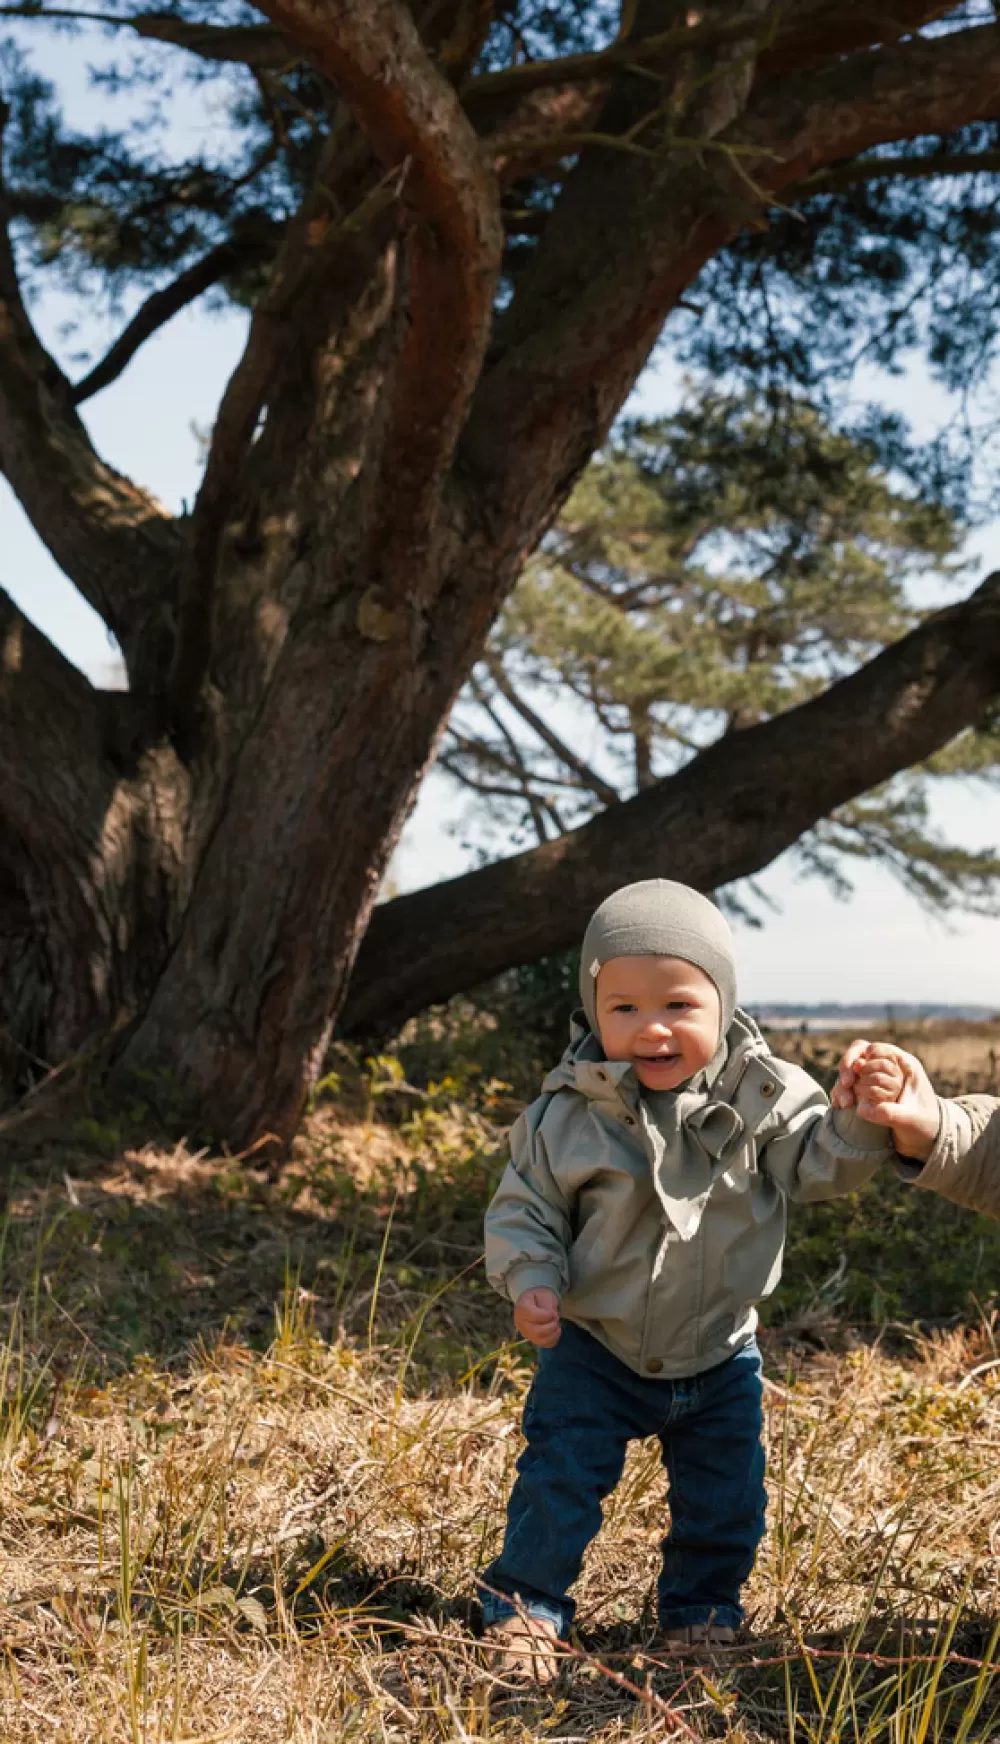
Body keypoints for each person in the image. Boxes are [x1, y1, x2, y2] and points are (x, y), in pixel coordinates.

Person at [479, 879, 900, 1680]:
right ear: (594, 1011)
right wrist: (533, 1276)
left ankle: (702, 1612)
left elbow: (818, 1165)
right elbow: (525, 1205)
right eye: (624, 1008)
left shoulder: (762, 1098)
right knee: (558, 1478)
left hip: (719, 1349)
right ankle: (526, 1606)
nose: (652, 1028)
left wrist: (855, 1121)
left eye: (678, 1003)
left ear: (724, 1003)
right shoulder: (568, 1115)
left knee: (725, 1495)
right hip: (596, 1347)